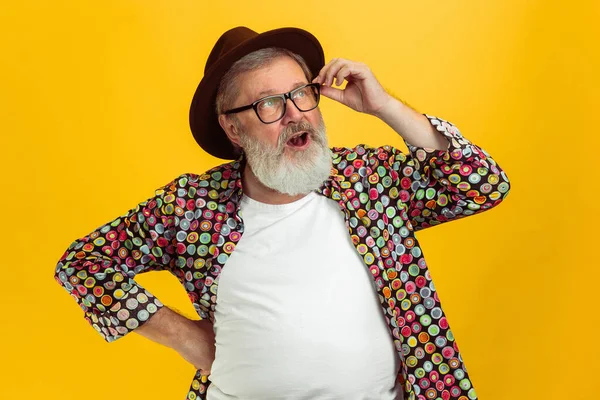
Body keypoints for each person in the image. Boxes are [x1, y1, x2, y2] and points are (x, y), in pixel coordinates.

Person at [54, 26, 510, 400]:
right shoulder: (193, 208)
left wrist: (384, 106)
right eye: (269, 103)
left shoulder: (369, 180)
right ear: (232, 127)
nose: (296, 114)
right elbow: (83, 264)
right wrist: (184, 337)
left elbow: (483, 185)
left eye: (301, 93)